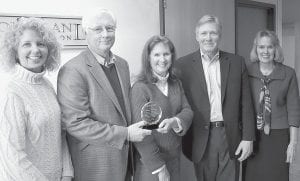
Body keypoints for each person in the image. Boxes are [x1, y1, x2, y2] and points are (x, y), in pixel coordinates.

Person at [57, 8, 152, 181]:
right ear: (85, 32)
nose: (105, 34)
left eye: (110, 28)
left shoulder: (122, 65)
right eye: (98, 29)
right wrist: (125, 134)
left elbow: (123, 111)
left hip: (124, 157)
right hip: (95, 163)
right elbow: (76, 124)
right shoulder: (72, 70)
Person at [175, 15, 256, 181]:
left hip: (230, 136)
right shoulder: (182, 65)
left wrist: (248, 138)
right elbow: (178, 103)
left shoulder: (236, 62)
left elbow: (246, 104)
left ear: (220, 35)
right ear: (196, 36)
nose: (208, 38)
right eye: (204, 33)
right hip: (199, 138)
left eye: (213, 33)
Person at [0, 17, 74, 181]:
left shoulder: (47, 85)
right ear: (15, 52)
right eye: (26, 44)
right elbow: (12, 156)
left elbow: (60, 135)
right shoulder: (11, 92)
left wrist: (67, 174)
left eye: (41, 43)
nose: (36, 50)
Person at [131, 35, 193, 181]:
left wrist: (174, 121)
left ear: (172, 56)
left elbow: (188, 111)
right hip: (151, 165)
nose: (162, 59)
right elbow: (141, 134)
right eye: (157, 55)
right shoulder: (140, 88)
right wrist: (159, 168)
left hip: (175, 159)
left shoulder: (175, 82)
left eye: (166, 54)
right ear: (148, 58)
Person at [244, 30, 300, 181]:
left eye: (270, 47)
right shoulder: (246, 71)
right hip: (252, 134)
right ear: (256, 49)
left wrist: (293, 143)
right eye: (261, 47)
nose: (265, 51)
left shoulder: (288, 73)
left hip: (279, 136)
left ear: (276, 49)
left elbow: (294, 110)